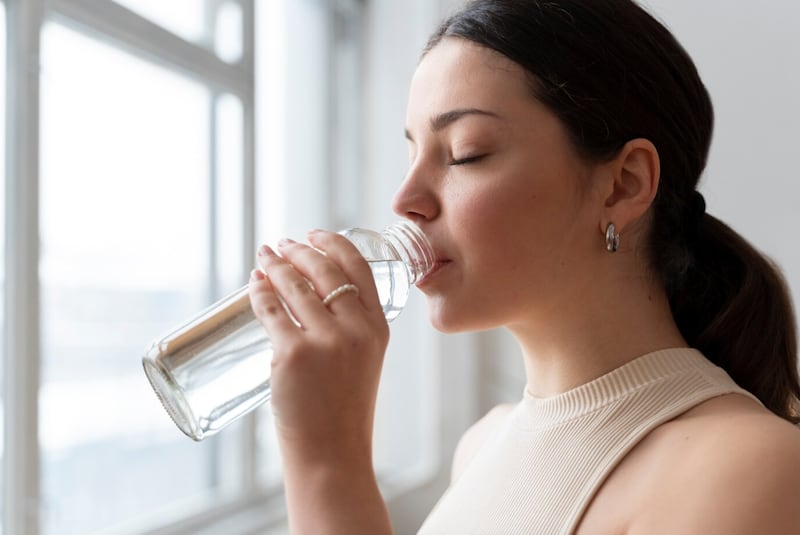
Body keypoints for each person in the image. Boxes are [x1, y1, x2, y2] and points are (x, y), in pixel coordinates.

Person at [248, 0, 800, 533]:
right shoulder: (481, 446)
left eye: (465, 152)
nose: (405, 198)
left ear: (624, 185)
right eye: (412, 153)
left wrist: (326, 459)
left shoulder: (751, 468)